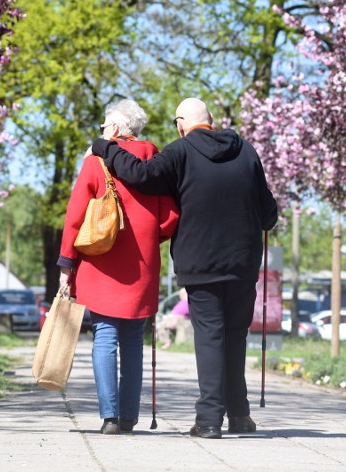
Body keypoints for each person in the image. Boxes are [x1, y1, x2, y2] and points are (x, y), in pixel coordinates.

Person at [92, 97, 278, 439]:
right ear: (211, 120)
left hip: (200, 263)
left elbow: (140, 175)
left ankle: (208, 420)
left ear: (181, 123)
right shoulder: (246, 151)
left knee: (210, 337)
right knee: (235, 337)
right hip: (243, 263)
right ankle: (239, 415)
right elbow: (268, 212)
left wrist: (107, 148)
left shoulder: (181, 151)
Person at [57, 99, 179, 435]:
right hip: (142, 264)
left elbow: (76, 215)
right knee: (133, 341)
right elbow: (170, 217)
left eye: (102, 127)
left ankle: (110, 416)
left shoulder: (97, 161)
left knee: (104, 336)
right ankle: (128, 417)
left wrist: (67, 262)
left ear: (113, 130)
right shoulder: (157, 160)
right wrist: (147, 237)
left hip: (101, 262)